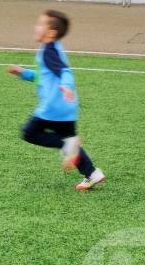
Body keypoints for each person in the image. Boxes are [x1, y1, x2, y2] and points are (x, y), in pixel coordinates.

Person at [6, 10, 105, 191]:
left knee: (29, 133)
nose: (36, 27)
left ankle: (67, 145)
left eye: (40, 24)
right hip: (67, 109)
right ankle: (92, 174)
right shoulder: (52, 49)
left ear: (51, 32)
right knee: (69, 141)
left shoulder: (49, 51)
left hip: (52, 107)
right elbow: (43, 77)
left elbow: (64, 71)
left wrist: (66, 85)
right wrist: (23, 73)